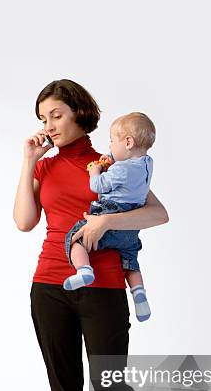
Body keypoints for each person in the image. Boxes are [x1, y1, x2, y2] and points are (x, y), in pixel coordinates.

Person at [13, 78, 184, 391]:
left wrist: (106, 223)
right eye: (42, 118)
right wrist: (29, 160)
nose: (48, 126)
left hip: (104, 286)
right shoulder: (45, 166)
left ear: (79, 114)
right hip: (49, 286)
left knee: (111, 385)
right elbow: (23, 221)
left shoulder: (109, 162)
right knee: (64, 389)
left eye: (56, 115)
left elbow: (158, 213)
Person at [63, 111, 155, 323]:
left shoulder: (120, 170)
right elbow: (126, 159)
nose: (111, 146)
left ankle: (84, 270)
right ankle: (138, 292)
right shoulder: (147, 163)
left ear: (128, 142)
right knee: (130, 260)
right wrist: (111, 158)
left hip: (111, 213)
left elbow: (97, 186)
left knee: (75, 237)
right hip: (130, 227)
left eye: (113, 141)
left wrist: (95, 171)